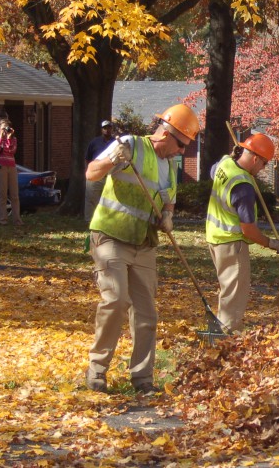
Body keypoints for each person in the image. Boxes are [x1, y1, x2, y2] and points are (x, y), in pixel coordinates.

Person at [84, 104, 199, 394]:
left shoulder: (169, 167)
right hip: (110, 236)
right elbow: (91, 173)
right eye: (181, 144)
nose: (182, 151)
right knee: (116, 300)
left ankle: (143, 379)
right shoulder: (130, 146)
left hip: (144, 244)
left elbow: (168, 198)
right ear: (165, 133)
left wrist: (169, 216)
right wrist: (113, 159)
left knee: (147, 313)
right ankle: (97, 370)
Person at [206, 133, 279, 334]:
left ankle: (224, 330)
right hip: (232, 245)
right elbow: (249, 230)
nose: (263, 169)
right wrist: (272, 244)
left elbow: (212, 170)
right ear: (255, 159)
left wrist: (233, 154)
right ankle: (228, 340)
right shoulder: (243, 186)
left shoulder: (225, 164)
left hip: (215, 239)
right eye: (264, 163)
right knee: (234, 296)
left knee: (227, 291)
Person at [0, 118, 23, 226]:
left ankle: (17, 220)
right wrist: (0, 137)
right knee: (3, 194)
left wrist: (8, 138)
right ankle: (2, 219)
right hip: (0, 167)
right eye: (3, 128)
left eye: (6, 128)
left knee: (14, 194)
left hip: (11, 167)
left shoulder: (13, 139)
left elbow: (11, 151)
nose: (5, 130)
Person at [84, 120, 115, 221]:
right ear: (102, 130)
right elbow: (87, 159)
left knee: (109, 200)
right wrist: (89, 173)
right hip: (95, 175)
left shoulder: (115, 143)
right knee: (91, 199)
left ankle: (105, 220)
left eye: (109, 128)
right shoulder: (94, 142)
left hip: (110, 176)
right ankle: (89, 221)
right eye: (105, 128)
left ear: (112, 129)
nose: (107, 130)